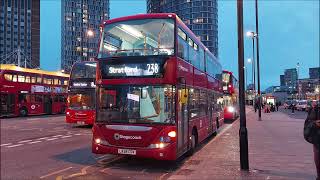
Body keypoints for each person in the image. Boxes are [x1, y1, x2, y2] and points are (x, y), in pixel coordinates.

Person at [304, 102, 320, 180]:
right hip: (318, 140)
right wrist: (315, 123)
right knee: (318, 161)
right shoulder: (316, 109)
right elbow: (308, 123)